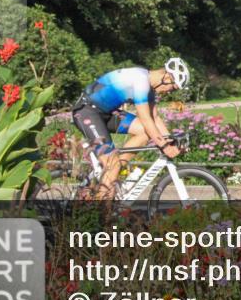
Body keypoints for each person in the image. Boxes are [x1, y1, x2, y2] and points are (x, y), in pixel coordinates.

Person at [71, 58, 191, 199]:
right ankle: (100, 215)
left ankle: (112, 172)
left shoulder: (150, 87)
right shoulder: (141, 81)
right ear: (166, 77)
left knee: (144, 134)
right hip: (87, 111)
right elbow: (146, 119)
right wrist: (164, 146)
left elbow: (155, 118)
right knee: (113, 164)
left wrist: (171, 140)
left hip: (107, 113)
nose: (169, 92)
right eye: (172, 87)